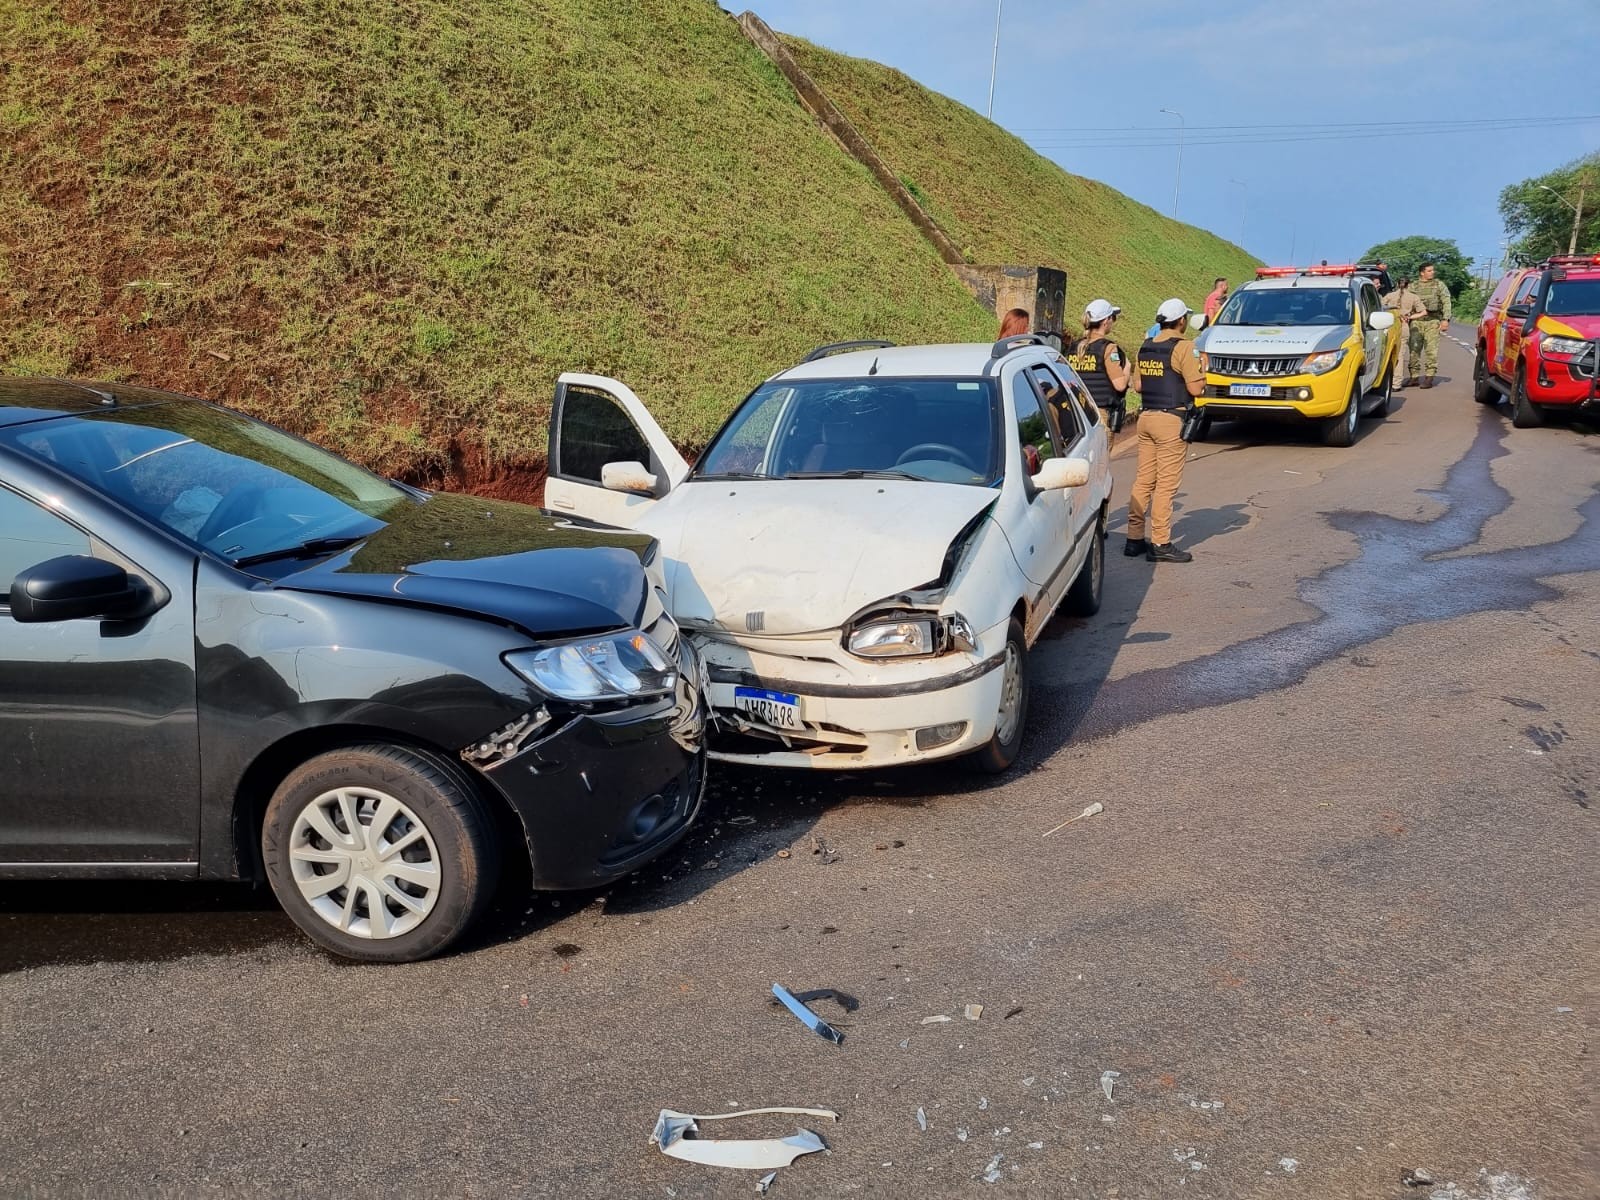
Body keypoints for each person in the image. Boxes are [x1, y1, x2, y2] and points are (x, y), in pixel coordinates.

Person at [1127, 298, 1204, 563]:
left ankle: (1134, 537)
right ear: (1182, 321)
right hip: (1171, 420)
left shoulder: (1145, 346)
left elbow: (1137, 386)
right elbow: (1195, 389)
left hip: (1146, 417)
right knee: (1166, 485)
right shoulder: (1185, 348)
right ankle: (1161, 542)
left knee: (1144, 479)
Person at [1066, 298, 1133, 433]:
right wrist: (1127, 369)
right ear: (1105, 321)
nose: (1113, 322)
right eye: (1112, 318)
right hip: (1100, 414)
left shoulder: (1074, 347)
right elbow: (1120, 385)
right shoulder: (1108, 348)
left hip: (1075, 412)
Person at [1410, 262, 1452, 388]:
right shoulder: (1413, 286)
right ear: (1422, 272)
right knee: (1414, 350)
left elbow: (1446, 301)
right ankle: (1414, 376)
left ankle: (1429, 377)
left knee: (1431, 351)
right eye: (1429, 270)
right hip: (1416, 321)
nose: (1432, 272)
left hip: (1432, 321)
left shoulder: (1439, 285)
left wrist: (1445, 319)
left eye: (1432, 270)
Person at [1382, 275, 1427, 389]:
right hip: (1403, 325)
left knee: (1385, 354)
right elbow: (1423, 312)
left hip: (1389, 325)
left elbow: (1380, 307)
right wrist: (1410, 317)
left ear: (1397, 284)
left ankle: (1384, 380)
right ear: (1409, 285)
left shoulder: (1389, 296)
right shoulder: (1413, 297)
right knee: (1399, 355)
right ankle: (1396, 383)